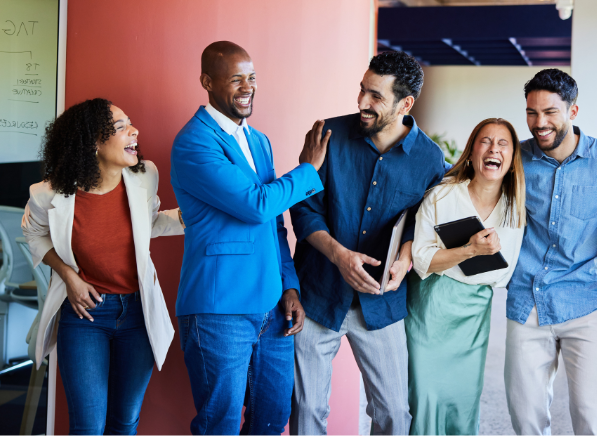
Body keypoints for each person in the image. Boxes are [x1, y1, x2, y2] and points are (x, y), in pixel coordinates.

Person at [170, 41, 328, 435]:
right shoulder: (194, 142)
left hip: (273, 307)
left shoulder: (259, 141)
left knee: (272, 420)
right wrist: (307, 170)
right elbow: (256, 205)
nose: (248, 87)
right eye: (236, 78)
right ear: (207, 81)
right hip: (218, 309)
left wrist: (289, 285)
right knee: (219, 425)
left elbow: (274, 223)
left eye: (252, 77)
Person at [289, 51, 447, 435]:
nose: (362, 102)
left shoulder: (429, 159)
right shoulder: (328, 135)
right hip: (318, 296)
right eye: (362, 90)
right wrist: (339, 255)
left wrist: (406, 257)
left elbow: (424, 224)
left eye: (376, 96)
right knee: (307, 411)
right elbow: (305, 210)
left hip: (381, 304)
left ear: (405, 104)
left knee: (394, 413)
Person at [21, 98, 184, 434]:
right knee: (88, 426)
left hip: (137, 313)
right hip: (85, 318)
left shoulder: (144, 176)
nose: (134, 131)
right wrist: (67, 275)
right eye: (121, 127)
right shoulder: (49, 193)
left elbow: (147, 223)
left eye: (130, 122)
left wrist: (196, 218)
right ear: (93, 142)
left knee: (125, 420)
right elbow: (32, 233)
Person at [504, 69, 597, 435]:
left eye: (550, 112)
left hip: (586, 300)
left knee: (593, 417)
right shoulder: (516, 157)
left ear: (573, 112)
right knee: (526, 417)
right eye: (532, 112)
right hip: (526, 298)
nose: (539, 123)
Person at [406, 117, 526, 435]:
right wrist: (469, 251)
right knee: (425, 397)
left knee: (463, 400)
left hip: (475, 310)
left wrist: (457, 255)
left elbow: (503, 272)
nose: (493, 149)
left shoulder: (515, 208)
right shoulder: (442, 196)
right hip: (431, 304)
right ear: (472, 152)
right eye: (485, 141)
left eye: (503, 144)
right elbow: (421, 260)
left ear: (513, 159)